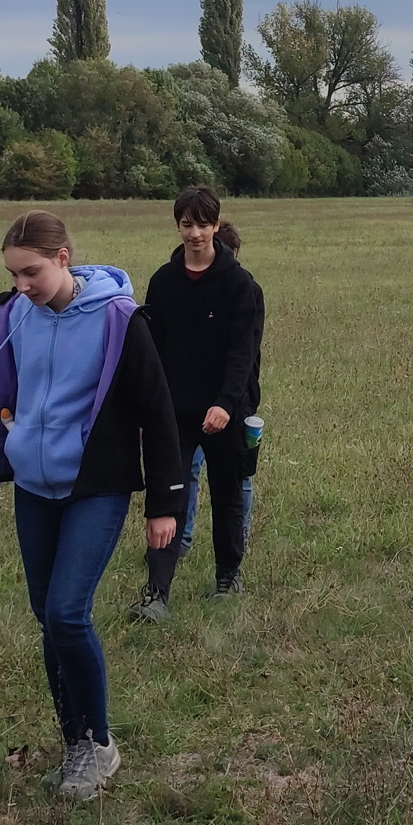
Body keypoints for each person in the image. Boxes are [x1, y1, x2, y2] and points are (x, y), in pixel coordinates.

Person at [0, 212, 185, 800]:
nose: (22, 285)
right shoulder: (11, 316)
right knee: (46, 617)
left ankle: (99, 744)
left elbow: (157, 413)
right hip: (33, 488)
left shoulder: (119, 319)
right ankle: (74, 740)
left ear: (63, 259)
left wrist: (164, 505)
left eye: (31, 272)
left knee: (66, 613)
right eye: (13, 274)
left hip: (94, 488)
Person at [132, 186, 264, 620]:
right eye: (187, 224)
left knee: (228, 494)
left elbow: (242, 353)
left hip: (227, 410)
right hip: (174, 412)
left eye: (203, 224)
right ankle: (156, 594)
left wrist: (225, 404)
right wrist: (149, 408)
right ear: (177, 226)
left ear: (216, 225)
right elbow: (153, 351)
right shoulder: (163, 281)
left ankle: (228, 575)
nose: (195, 233)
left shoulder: (240, 284)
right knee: (168, 495)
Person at [176, 222, 261, 555]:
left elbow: (246, 351)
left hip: (234, 401)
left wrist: (236, 399)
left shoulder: (245, 289)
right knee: (195, 469)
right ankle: (182, 540)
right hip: (197, 400)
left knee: (233, 475)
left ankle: (233, 539)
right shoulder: (176, 284)